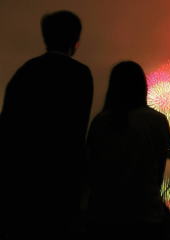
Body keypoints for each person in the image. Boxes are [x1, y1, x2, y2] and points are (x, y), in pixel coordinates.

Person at [0, 11, 93, 239]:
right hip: (63, 181)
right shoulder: (81, 75)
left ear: (46, 37)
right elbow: (78, 131)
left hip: (24, 181)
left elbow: (7, 128)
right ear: (76, 41)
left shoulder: (24, 73)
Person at [87, 61, 170, 239]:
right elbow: (158, 173)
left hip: (104, 215)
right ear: (143, 86)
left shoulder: (100, 121)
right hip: (147, 215)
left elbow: (93, 170)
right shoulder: (158, 121)